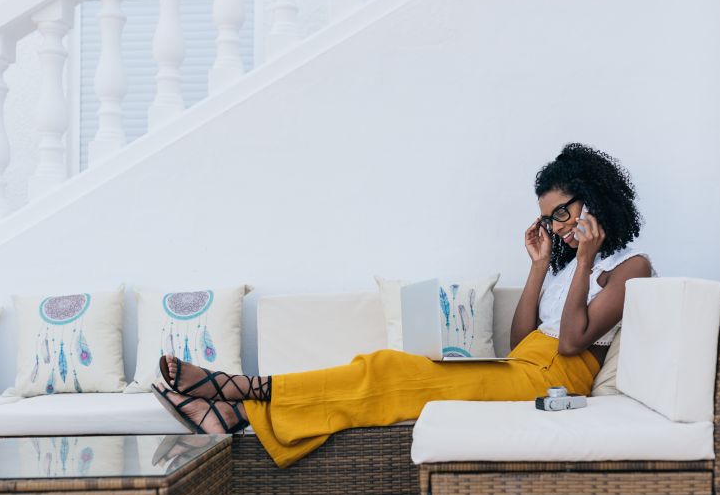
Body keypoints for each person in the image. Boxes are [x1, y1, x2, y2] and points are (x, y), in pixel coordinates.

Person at [152, 143, 654, 467]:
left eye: (562, 213)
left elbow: (570, 342)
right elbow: (520, 343)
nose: (558, 227)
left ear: (591, 198)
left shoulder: (632, 266)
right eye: (549, 220)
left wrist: (586, 258)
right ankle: (236, 417)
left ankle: (239, 391)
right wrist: (541, 265)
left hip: (553, 382)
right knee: (387, 369)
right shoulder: (564, 266)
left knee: (385, 367)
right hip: (519, 367)